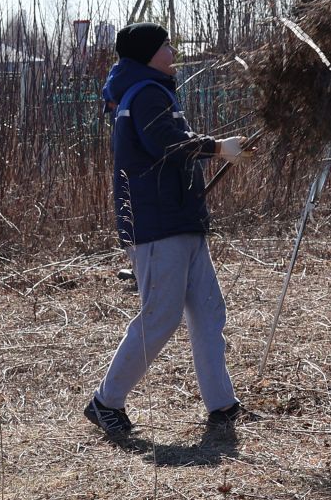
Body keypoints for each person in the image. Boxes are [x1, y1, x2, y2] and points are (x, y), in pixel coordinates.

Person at [84, 22, 246, 440]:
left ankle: (222, 405)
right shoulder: (145, 94)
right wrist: (215, 147)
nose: (173, 50)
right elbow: (166, 144)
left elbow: (171, 146)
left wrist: (216, 150)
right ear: (148, 54)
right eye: (165, 45)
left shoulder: (151, 90)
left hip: (180, 220)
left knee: (208, 312)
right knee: (161, 318)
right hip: (158, 225)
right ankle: (106, 401)